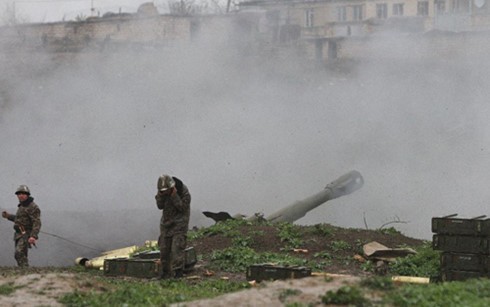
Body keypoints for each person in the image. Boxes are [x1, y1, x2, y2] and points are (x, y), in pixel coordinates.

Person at [155, 174, 191, 279]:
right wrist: (161, 196)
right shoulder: (162, 192)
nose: (164, 192)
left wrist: (174, 196)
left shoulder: (183, 192)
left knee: (177, 249)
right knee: (164, 249)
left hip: (179, 224)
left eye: (166, 190)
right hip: (166, 224)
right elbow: (159, 206)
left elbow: (183, 208)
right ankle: (165, 273)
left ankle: (177, 273)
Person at [1, 185, 41, 267]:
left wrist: (33, 236)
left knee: (19, 253)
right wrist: (8, 216)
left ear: (27, 195)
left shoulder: (33, 207)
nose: (21, 195)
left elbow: (37, 222)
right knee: (21, 254)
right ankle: (24, 271)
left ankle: (25, 271)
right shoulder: (22, 206)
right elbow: (19, 219)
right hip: (18, 234)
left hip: (26, 234)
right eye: (19, 194)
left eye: (23, 193)